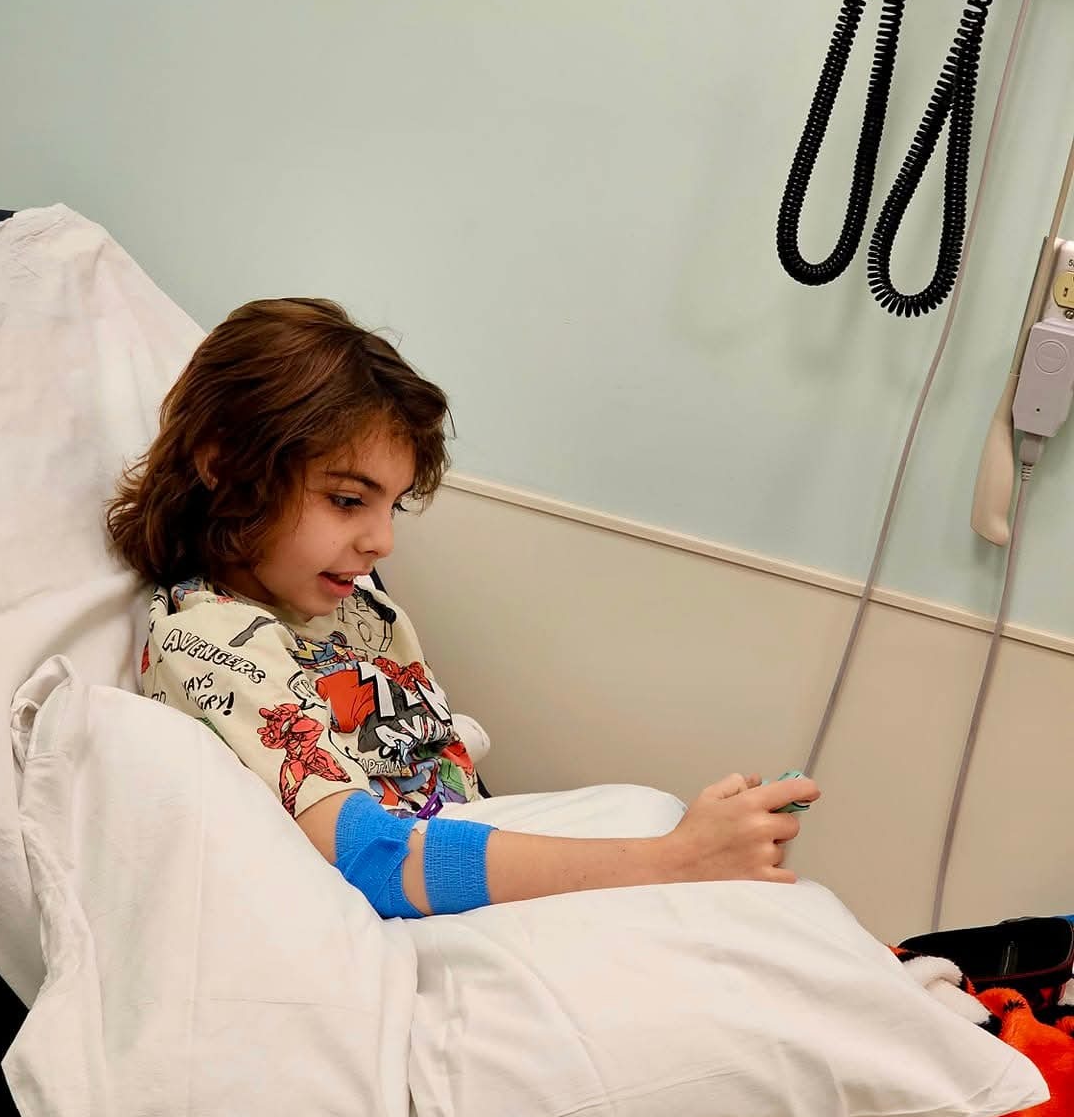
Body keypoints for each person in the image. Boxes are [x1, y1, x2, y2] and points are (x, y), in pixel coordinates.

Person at [106, 297, 818, 919]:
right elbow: (370, 856)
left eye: (392, 506)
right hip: (414, 911)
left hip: (469, 865)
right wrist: (673, 860)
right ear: (224, 465)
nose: (382, 541)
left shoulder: (356, 607)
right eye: (348, 500)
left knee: (681, 837)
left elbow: (447, 785)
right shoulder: (208, 639)